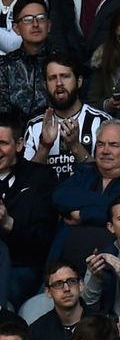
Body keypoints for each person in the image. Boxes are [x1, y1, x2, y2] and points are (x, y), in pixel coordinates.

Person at [52, 119, 120, 256]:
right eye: (100, 144)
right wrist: (112, 205)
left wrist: (83, 214)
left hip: (114, 263)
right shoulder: (85, 172)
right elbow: (59, 196)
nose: (105, 151)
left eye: (113, 145)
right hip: (66, 260)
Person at [0, 112, 58, 309]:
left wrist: (9, 223)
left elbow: (44, 238)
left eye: (3, 143)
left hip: (22, 266)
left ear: (18, 144)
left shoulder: (40, 178)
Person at [24, 53, 110, 180]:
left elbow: (107, 178)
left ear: (79, 81)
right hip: (46, 199)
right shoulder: (34, 126)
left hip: (86, 198)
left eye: (65, 76)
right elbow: (25, 182)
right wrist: (45, 146)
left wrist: (75, 146)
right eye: (52, 78)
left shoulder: (103, 123)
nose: (59, 83)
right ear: (45, 85)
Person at [0, 0, 53, 121]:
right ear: (16, 28)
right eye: (28, 19)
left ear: (49, 25)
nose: (35, 24)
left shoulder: (62, 63)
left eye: (41, 18)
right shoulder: (5, 65)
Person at [29, 261, 84, 340]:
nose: (66, 288)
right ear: (48, 292)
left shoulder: (102, 325)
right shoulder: (36, 332)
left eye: (71, 281)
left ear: (80, 285)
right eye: (58, 284)